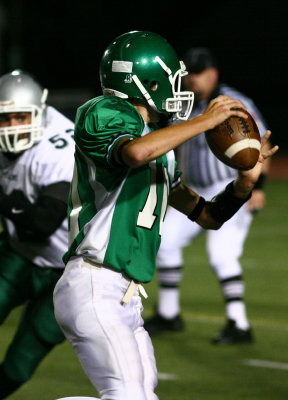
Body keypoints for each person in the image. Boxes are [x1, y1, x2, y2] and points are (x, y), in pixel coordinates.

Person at [53, 31, 277, 400]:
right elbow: (134, 153)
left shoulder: (159, 140)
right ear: (145, 82)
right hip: (93, 283)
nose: (179, 87)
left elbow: (206, 215)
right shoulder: (103, 112)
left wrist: (243, 185)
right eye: (172, 78)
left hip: (126, 296)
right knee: (127, 397)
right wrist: (204, 122)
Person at [144, 47, 271, 345]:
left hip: (229, 186)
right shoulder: (184, 105)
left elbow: (260, 144)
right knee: (164, 240)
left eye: (198, 74)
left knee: (222, 254)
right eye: (189, 74)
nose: (192, 80)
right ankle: (168, 312)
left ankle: (239, 324)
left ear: (213, 73)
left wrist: (257, 187)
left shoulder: (234, 103)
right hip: (195, 190)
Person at [0, 70, 75, 400]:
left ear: (39, 114)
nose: (14, 125)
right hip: (19, 250)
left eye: (21, 116)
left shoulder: (60, 147)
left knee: (22, 361)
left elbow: (44, 222)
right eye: (5, 118)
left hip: (71, 269)